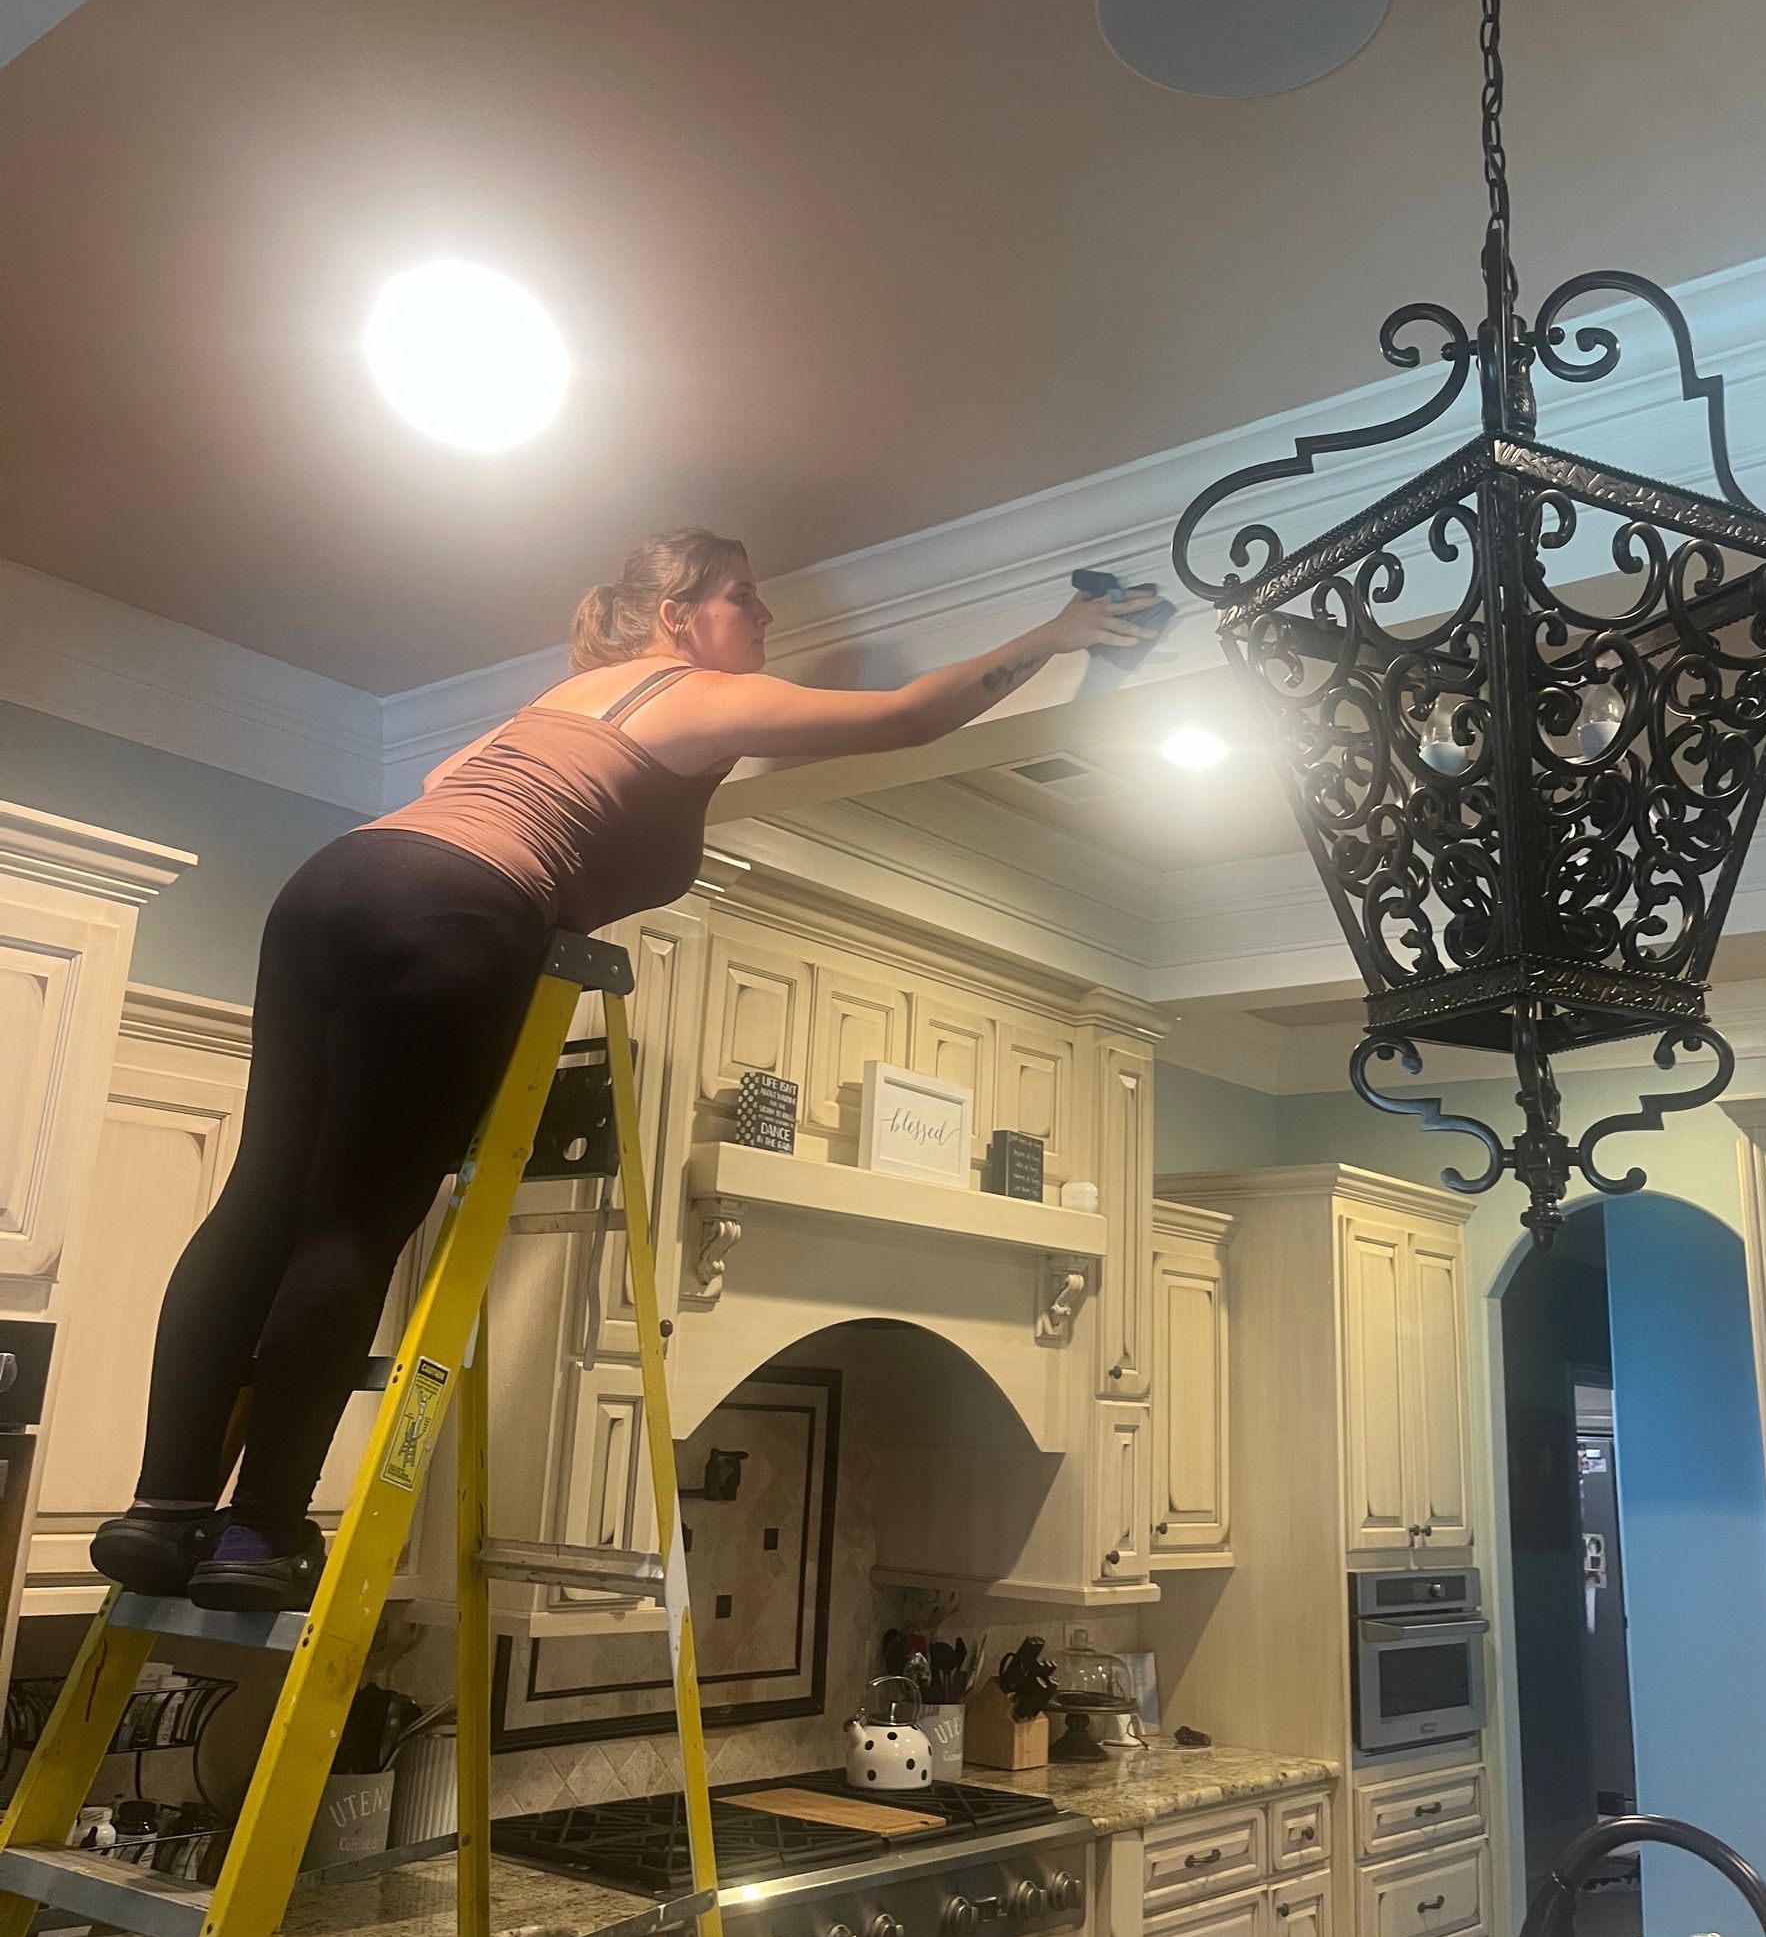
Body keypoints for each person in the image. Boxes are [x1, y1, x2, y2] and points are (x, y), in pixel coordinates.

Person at [93, 529, 1153, 1611]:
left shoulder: (555, 705)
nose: (766, 618)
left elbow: (442, 783)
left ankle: (159, 1513)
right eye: (744, 597)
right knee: (351, 1227)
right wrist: (1065, 631)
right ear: (677, 617)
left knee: (259, 1200)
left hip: (331, 886)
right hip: (454, 909)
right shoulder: (695, 692)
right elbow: (910, 717)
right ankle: (261, 1533)